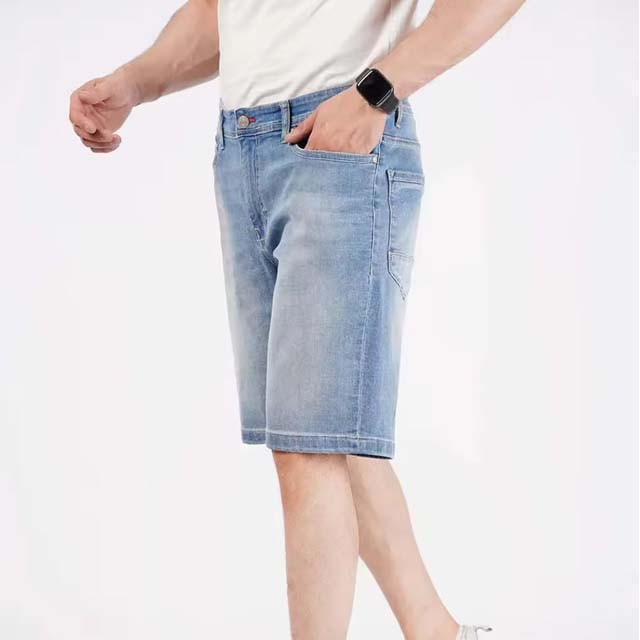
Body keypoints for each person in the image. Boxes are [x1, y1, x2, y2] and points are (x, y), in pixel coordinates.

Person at [69, 1, 524, 638]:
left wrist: (374, 93)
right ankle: (437, 632)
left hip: (341, 141)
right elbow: (225, 11)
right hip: (242, 149)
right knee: (322, 437)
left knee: (309, 447)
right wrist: (136, 81)